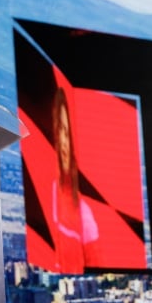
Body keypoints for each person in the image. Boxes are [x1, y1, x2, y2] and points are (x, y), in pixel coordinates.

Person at [49, 84, 97, 273]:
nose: (63, 142)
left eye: (67, 133)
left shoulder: (87, 209)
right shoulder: (53, 190)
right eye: (60, 130)